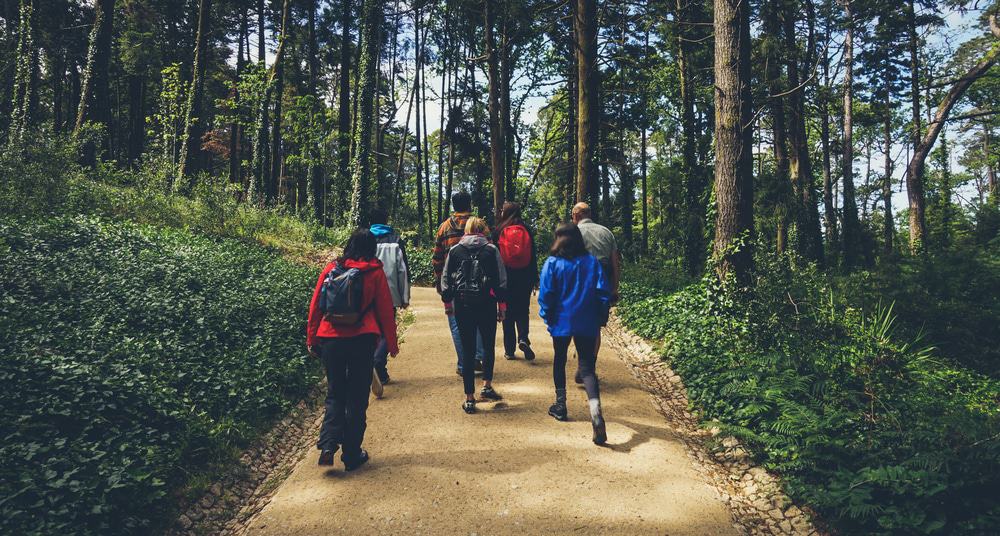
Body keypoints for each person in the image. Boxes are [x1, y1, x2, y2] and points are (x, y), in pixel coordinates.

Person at [306, 229, 399, 470]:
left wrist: (312, 337)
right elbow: (385, 310)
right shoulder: (374, 272)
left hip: (330, 338)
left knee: (335, 393)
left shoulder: (332, 269)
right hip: (362, 339)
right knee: (357, 397)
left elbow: (316, 305)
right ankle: (351, 454)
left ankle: (327, 445)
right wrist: (391, 342)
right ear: (372, 248)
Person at [538, 222, 611, 445]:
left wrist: (547, 316)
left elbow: (546, 294)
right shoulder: (591, 262)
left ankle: (560, 405)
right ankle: (596, 412)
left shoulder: (552, 263)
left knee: (559, 360)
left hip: (561, 320)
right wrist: (601, 315)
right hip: (587, 320)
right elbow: (602, 291)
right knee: (587, 368)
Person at [440, 217, 507, 414]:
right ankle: (486, 386)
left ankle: (469, 398)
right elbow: (501, 280)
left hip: (463, 305)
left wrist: (448, 303)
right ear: (483, 230)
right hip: (487, 304)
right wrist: (502, 306)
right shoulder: (492, 250)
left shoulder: (455, 251)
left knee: (468, 351)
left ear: (467, 231)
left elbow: (446, 280)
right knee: (488, 346)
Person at [432, 191, 485, 376]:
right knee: (478, 321)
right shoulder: (480, 224)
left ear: (453, 205)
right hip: (479, 284)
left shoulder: (444, 227)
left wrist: (441, 283)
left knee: (456, 324)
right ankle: (478, 357)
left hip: (454, 284)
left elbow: (437, 258)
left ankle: (464, 364)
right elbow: (491, 250)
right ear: (469, 204)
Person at [570, 202, 621, 383]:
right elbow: (615, 263)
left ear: (576, 215)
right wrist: (615, 287)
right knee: (595, 326)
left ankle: (583, 366)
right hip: (602, 283)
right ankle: (589, 366)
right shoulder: (606, 232)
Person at [369, 207, 410, 391]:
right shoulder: (395, 240)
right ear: (386, 219)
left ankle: (377, 369)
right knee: (387, 330)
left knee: (371, 329)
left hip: (366, 294)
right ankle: (378, 363)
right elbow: (403, 270)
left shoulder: (364, 238)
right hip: (390, 293)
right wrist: (404, 297)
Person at [493, 202, 538, 361]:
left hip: (505, 277)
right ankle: (523, 338)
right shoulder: (526, 229)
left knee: (507, 311)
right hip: (524, 276)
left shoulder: (498, 230)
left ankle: (509, 350)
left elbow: (494, 257)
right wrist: (534, 277)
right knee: (522, 309)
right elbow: (533, 256)